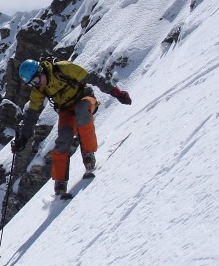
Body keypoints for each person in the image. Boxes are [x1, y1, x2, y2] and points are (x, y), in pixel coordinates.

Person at [11, 58, 132, 196]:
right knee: (63, 139)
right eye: (33, 83)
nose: (37, 84)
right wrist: (23, 139)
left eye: (36, 80)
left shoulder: (63, 69)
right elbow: (31, 116)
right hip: (66, 111)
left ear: (41, 71)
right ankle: (60, 183)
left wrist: (117, 93)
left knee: (82, 110)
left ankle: (88, 155)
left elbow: (94, 78)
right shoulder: (39, 90)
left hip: (85, 100)